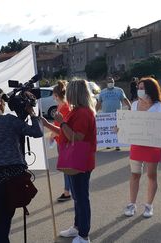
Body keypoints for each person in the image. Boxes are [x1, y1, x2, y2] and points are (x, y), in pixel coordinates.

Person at [0, 85, 43, 243]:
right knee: (3, 228)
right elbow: (37, 132)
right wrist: (31, 113)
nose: (5, 103)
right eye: (3, 100)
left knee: (0, 225)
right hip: (12, 180)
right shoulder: (9, 121)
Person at [54, 80, 97, 243]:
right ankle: (78, 228)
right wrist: (50, 125)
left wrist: (62, 122)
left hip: (81, 161)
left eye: (69, 92)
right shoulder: (78, 111)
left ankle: (84, 235)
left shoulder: (83, 112)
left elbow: (77, 137)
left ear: (75, 94)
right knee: (78, 197)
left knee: (81, 198)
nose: (67, 95)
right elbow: (66, 132)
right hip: (78, 160)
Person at [123, 77, 161, 218]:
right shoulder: (134, 104)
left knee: (151, 175)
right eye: (139, 87)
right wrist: (119, 128)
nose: (140, 90)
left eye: (142, 88)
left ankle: (149, 205)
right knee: (135, 174)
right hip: (137, 144)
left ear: (151, 89)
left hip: (153, 145)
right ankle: (131, 204)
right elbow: (128, 123)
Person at [40, 80, 72, 202]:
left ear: (56, 95)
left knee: (68, 168)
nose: (52, 97)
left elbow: (63, 127)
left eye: (53, 94)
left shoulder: (65, 107)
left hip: (65, 141)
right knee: (66, 168)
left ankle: (69, 192)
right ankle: (67, 191)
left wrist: (52, 133)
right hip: (60, 141)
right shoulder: (60, 106)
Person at [96, 77, 131, 151]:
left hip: (116, 114)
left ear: (114, 82)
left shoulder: (119, 90)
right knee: (107, 130)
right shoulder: (102, 92)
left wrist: (130, 106)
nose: (110, 83)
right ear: (106, 83)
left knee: (117, 129)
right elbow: (99, 102)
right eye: (109, 81)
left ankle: (117, 145)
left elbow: (124, 99)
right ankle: (108, 143)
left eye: (112, 81)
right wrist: (94, 111)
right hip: (106, 115)